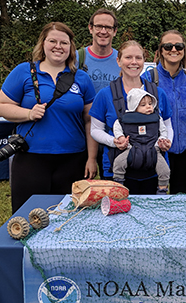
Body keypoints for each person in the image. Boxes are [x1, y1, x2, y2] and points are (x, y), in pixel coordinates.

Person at [0, 22, 97, 214]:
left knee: (69, 218)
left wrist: (91, 158)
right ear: (43, 44)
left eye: (64, 43)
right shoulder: (24, 72)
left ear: (71, 47)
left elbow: (90, 120)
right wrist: (28, 114)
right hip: (31, 159)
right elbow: (1, 106)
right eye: (53, 41)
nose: (58, 46)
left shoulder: (81, 78)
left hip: (73, 159)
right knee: (28, 217)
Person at [89, 40, 173, 194]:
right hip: (117, 169)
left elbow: (167, 124)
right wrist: (114, 142)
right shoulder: (105, 94)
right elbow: (95, 130)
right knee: (118, 215)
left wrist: (167, 141)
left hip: (153, 168)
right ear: (118, 60)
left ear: (144, 61)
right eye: (128, 57)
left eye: (138, 58)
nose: (133, 62)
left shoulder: (158, 93)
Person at [142, 30, 186, 194]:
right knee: (155, 198)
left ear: (184, 50)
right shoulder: (148, 78)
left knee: (179, 199)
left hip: (184, 152)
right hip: (156, 152)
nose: (174, 50)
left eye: (178, 46)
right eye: (168, 46)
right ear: (160, 50)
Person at [76, 8, 121, 180]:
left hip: (113, 135)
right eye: (99, 26)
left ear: (115, 31)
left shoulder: (122, 60)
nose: (103, 31)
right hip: (81, 133)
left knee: (112, 187)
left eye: (108, 27)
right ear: (90, 28)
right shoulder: (77, 58)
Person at [112, 88, 171, 194]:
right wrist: (120, 137)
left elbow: (163, 130)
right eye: (143, 105)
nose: (148, 107)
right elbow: (117, 126)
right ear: (134, 107)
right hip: (131, 149)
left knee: (165, 170)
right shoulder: (125, 119)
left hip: (153, 150)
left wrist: (162, 140)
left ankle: (162, 189)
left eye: (150, 103)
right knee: (118, 163)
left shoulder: (157, 118)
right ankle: (118, 185)